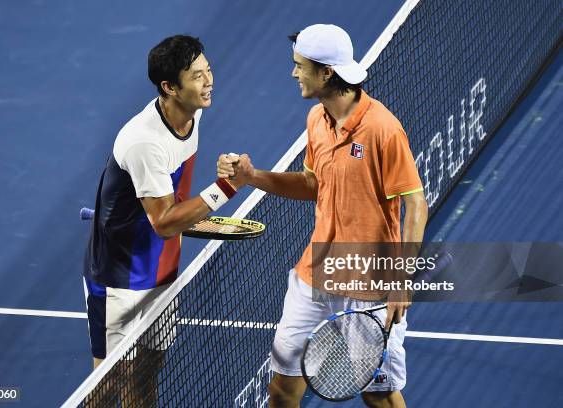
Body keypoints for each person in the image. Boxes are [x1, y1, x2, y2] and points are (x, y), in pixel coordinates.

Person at [218, 24, 428, 408]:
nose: (293, 73)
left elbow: (416, 202)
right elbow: (313, 183)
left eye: (300, 66)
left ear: (326, 73)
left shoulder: (383, 129)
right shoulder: (317, 119)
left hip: (371, 286)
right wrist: (252, 177)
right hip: (315, 274)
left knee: (378, 396)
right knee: (281, 391)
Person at [83, 35, 248, 405]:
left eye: (208, 71)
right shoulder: (143, 141)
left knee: (147, 371)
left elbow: (177, 199)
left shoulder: (194, 111)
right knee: (108, 386)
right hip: (120, 278)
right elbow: (164, 221)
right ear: (169, 87)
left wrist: (205, 201)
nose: (209, 82)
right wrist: (224, 188)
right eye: (197, 76)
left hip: (163, 269)